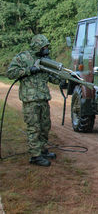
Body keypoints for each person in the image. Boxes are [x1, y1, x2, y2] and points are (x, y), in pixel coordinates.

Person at [7, 34, 61, 167]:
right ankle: (35, 155)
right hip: (30, 100)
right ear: (37, 46)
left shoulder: (46, 60)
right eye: (44, 46)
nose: (46, 49)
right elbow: (11, 73)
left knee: (45, 126)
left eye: (47, 46)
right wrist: (29, 70)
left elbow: (52, 78)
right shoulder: (23, 58)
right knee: (34, 127)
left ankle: (42, 150)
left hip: (43, 99)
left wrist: (62, 81)